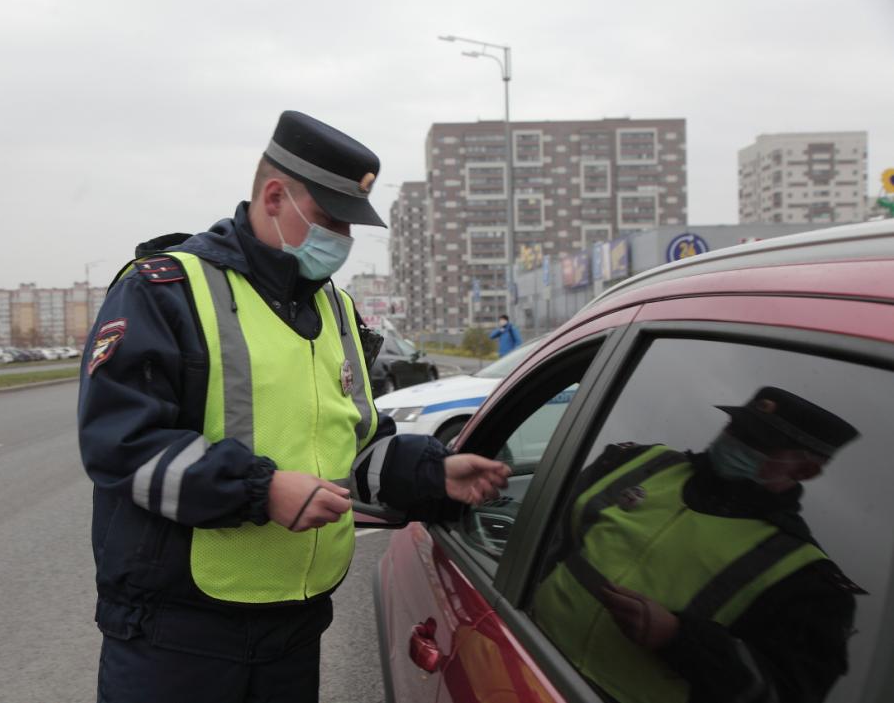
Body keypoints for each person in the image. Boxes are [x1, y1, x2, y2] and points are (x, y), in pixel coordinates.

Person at [77, 110, 511, 703]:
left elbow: (358, 446)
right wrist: (258, 490)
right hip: (175, 635)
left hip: (295, 626)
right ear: (275, 196)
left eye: (351, 225)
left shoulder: (337, 312)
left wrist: (431, 470)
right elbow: (121, 446)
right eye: (332, 220)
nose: (345, 240)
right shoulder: (166, 290)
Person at [531, 386, 863, 703]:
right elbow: (545, 541)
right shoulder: (631, 464)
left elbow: (785, 693)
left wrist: (679, 639)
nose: (734, 440)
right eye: (736, 426)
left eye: (757, 442)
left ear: (806, 470)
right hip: (527, 657)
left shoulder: (807, 580)